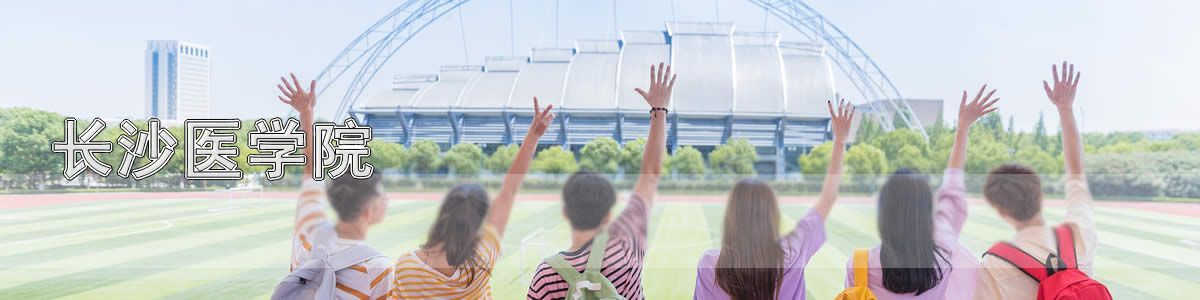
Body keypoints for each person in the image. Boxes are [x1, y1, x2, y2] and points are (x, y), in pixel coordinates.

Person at [526, 63, 674, 300]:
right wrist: (659, 109)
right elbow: (651, 174)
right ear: (608, 215)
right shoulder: (627, 248)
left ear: (565, 213)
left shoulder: (546, 275)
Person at [843, 85, 999, 299]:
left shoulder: (859, 266)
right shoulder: (944, 254)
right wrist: (963, 127)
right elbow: (952, 188)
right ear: (927, 213)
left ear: (884, 214)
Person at [391, 98, 555, 299]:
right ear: (479, 222)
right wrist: (533, 137)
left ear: (445, 213)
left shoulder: (406, 266)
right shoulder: (483, 258)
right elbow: (509, 191)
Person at [694, 99, 855, 300]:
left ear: (731, 218)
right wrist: (840, 140)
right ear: (771, 217)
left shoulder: (710, 264)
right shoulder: (794, 251)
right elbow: (828, 198)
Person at [975, 62, 1094, 300]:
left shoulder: (993, 264)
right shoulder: (1080, 234)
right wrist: (1065, 109)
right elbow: (1076, 173)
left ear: (1001, 211)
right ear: (1040, 196)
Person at [278, 73, 394, 299]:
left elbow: (311, 171)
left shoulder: (307, 236)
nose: (388, 200)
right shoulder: (379, 269)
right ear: (368, 211)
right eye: (383, 197)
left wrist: (306, 114)